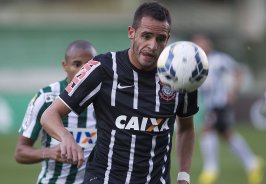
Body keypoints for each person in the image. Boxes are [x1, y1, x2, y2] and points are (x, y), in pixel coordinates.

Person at [41, 2, 198, 184]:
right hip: (104, 179)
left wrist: (184, 176)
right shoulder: (102, 67)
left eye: (160, 39)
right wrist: (66, 138)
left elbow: (186, 128)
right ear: (131, 33)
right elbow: (49, 115)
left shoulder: (181, 75)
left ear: (168, 39)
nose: (152, 45)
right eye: (146, 36)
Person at [14, 40, 98, 184]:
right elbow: (20, 152)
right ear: (65, 66)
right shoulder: (46, 97)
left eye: (88, 66)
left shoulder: (105, 98)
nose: (83, 72)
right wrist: (49, 152)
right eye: (77, 64)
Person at [191, 34, 264, 184]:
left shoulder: (219, 59)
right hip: (210, 105)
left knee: (207, 130)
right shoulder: (196, 63)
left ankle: (211, 169)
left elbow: (238, 71)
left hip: (220, 103)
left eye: (203, 43)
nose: (202, 46)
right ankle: (251, 162)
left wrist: (233, 91)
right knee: (227, 135)